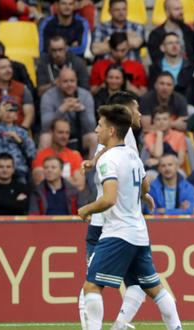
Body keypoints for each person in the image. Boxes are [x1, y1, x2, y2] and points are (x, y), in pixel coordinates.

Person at [77, 105, 182, 330]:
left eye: (100, 125)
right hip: (139, 233)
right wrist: (143, 196)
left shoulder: (108, 160)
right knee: (154, 288)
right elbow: (145, 184)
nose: (97, 130)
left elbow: (109, 199)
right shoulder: (132, 155)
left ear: (112, 130)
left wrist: (86, 209)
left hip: (117, 232)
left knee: (91, 286)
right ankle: (177, 327)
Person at [77, 92, 148, 330]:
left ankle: (104, 327)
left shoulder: (118, 134)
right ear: (126, 110)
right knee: (139, 284)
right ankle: (118, 325)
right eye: (136, 108)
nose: (140, 113)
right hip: (120, 223)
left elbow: (106, 158)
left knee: (91, 282)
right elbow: (106, 155)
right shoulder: (119, 133)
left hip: (110, 221)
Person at [39, 68, 97, 156]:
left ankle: (92, 169)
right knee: (45, 138)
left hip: (80, 137)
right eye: (65, 81)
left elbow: (92, 127)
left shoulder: (85, 96)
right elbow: (45, 127)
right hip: (57, 138)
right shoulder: (48, 96)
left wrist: (83, 111)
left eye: (72, 81)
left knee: (94, 137)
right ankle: (43, 167)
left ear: (76, 81)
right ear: (58, 82)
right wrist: (61, 110)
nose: (69, 84)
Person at [0, 96, 36, 181]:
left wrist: (19, 140)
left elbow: (32, 154)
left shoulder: (22, 132)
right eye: (5, 110)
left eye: (12, 110)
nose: (8, 113)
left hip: (18, 170)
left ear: (16, 115)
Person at [32, 118, 84, 190]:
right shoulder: (41, 156)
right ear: (51, 133)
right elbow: (40, 184)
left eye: (67, 133)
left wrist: (52, 178)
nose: (64, 136)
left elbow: (80, 186)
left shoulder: (75, 156)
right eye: (60, 132)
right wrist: (69, 180)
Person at [90, 32, 148, 97]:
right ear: (110, 47)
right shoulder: (98, 65)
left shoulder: (138, 67)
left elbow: (144, 94)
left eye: (123, 50)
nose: (119, 54)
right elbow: (92, 92)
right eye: (116, 50)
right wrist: (106, 84)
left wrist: (129, 87)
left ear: (128, 47)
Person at [148, 32, 194, 105]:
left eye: (177, 43)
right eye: (170, 43)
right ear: (162, 48)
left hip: (186, 106)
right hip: (160, 107)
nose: (174, 46)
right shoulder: (155, 68)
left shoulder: (191, 67)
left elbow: (192, 94)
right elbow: (152, 91)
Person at [147, 0, 194, 64]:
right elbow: (156, 61)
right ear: (167, 12)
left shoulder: (188, 31)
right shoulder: (156, 35)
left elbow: (193, 55)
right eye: (177, 9)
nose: (181, 12)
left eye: (181, 8)